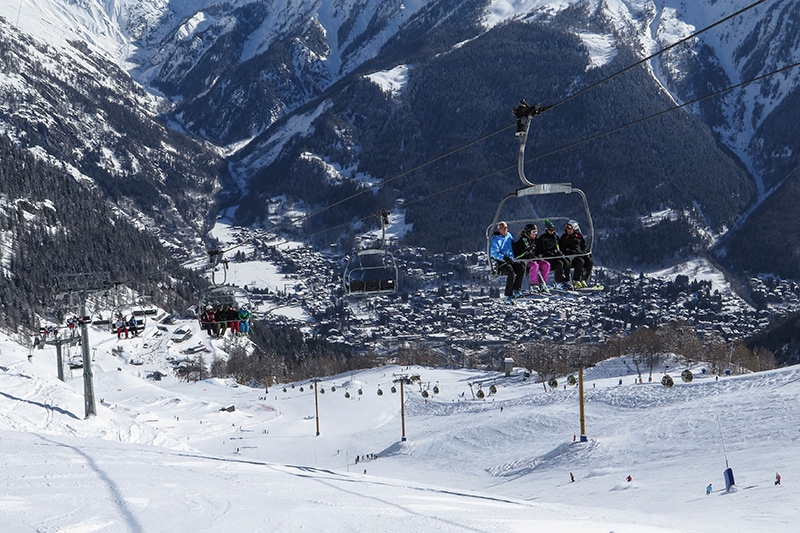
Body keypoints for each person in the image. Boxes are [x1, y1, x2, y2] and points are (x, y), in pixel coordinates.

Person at [490, 221, 524, 304]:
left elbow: (513, 245)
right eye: (502, 228)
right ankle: (508, 295)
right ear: (498, 229)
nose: (505, 230)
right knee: (511, 273)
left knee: (521, 269)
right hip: (501, 261)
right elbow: (494, 253)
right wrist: (504, 258)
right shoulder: (495, 239)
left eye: (506, 228)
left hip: (511, 259)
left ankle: (516, 290)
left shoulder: (509, 235)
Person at [511, 223, 551, 293]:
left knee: (546, 264)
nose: (535, 234)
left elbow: (540, 251)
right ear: (528, 232)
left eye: (536, 232)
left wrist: (538, 257)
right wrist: (526, 253)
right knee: (535, 266)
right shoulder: (522, 241)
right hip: (526, 261)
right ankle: (534, 284)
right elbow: (517, 255)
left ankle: (542, 283)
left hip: (535, 259)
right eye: (533, 232)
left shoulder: (536, 241)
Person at [559, 219, 594, 288]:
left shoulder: (579, 237)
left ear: (574, 229)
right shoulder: (564, 237)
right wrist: (572, 252)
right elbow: (563, 249)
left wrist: (584, 252)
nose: (568, 230)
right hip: (571, 257)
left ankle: (584, 279)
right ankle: (576, 280)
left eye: (570, 229)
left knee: (590, 262)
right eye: (567, 228)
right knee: (580, 261)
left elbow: (584, 247)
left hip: (580, 254)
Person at [538, 219, 570, 288]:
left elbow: (560, 246)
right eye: (550, 230)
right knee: (559, 264)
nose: (552, 231)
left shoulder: (555, 237)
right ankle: (559, 282)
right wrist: (552, 254)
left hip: (556, 256)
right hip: (549, 258)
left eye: (553, 229)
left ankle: (567, 280)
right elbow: (543, 250)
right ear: (547, 229)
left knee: (567, 262)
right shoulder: (543, 238)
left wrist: (560, 252)